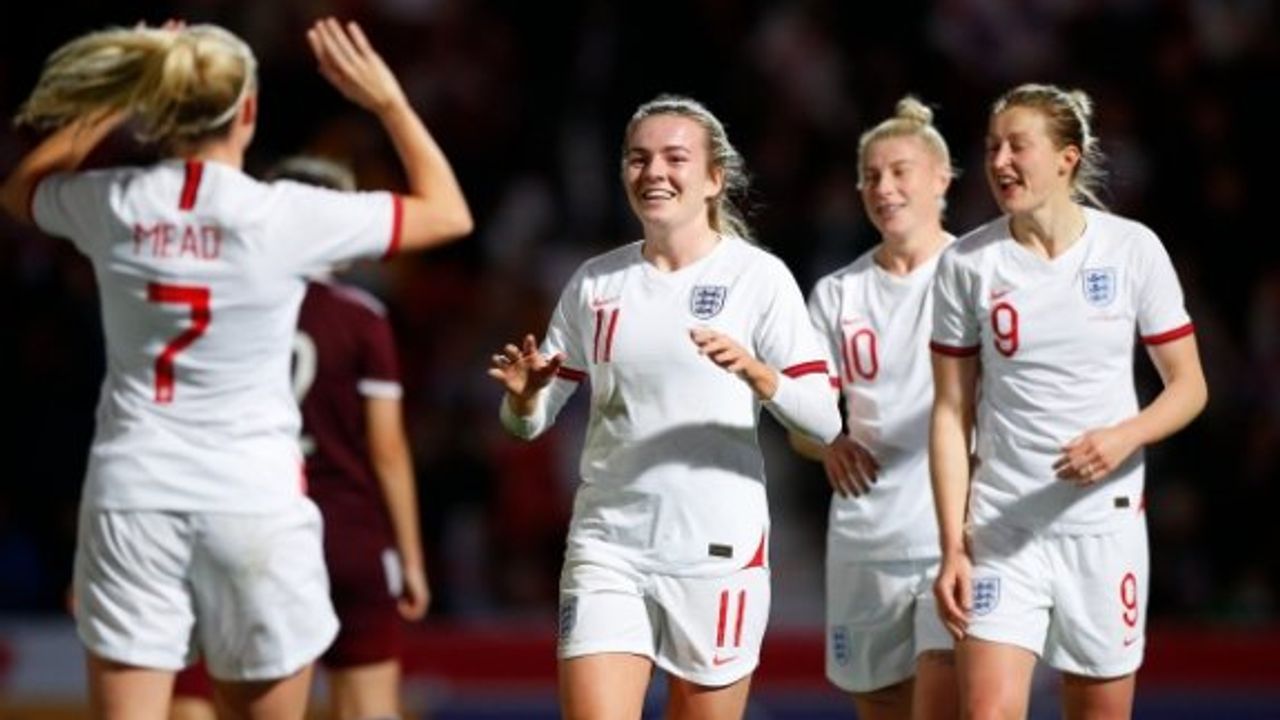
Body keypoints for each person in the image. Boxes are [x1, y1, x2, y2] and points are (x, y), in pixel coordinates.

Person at [0, 17, 470, 720]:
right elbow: (448, 214)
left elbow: (20, 192)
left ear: (157, 106)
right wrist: (388, 102)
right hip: (251, 498)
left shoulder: (115, 202)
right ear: (247, 111)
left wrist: (111, 101)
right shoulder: (284, 215)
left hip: (134, 493)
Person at [487, 94, 841, 719]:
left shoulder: (758, 279)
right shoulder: (595, 283)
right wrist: (523, 399)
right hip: (608, 546)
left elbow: (825, 419)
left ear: (714, 178)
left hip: (717, 549)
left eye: (675, 158)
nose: (654, 171)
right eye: (639, 158)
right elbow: (528, 426)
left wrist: (760, 374)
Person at [928, 83, 1207, 719]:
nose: (1000, 162)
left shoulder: (1132, 249)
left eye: (1017, 146)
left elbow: (1189, 385)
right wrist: (951, 544)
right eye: (992, 147)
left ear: (1066, 158)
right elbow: (949, 411)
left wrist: (1125, 435)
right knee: (987, 712)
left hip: (1101, 526)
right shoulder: (967, 264)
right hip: (1003, 527)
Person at [169, 156, 433, 720]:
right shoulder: (361, 317)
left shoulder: (218, 308)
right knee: (368, 706)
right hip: (346, 530)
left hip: (245, 521)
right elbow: (386, 449)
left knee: (208, 697)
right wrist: (410, 556)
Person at [789, 96, 958, 720]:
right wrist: (826, 443)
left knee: (945, 702)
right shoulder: (839, 294)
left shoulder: (981, 275)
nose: (884, 188)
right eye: (871, 176)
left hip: (957, 537)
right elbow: (804, 422)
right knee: (882, 706)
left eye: (899, 171)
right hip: (866, 538)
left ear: (941, 178)